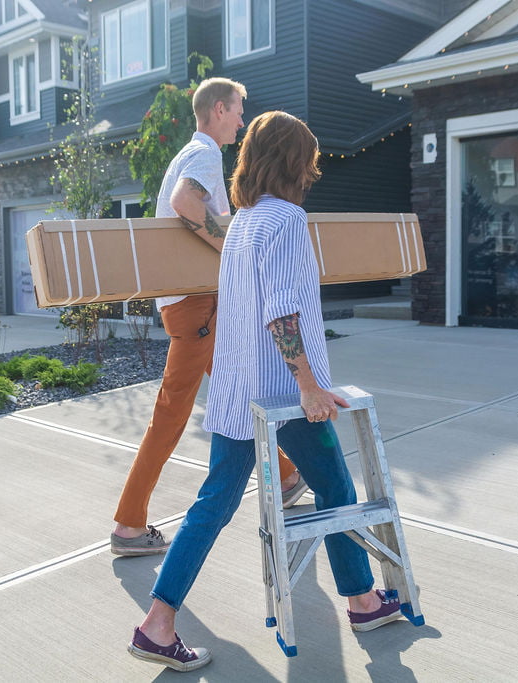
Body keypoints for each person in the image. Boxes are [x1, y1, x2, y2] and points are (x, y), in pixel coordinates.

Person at [128, 111, 404, 672]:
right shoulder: (286, 222)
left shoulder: (244, 223)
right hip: (282, 395)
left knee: (213, 505)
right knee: (335, 488)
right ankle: (363, 601)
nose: (313, 171)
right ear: (295, 162)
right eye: (310, 160)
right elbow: (281, 313)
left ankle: (157, 624)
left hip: (238, 395)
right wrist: (308, 385)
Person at [111, 79, 307, 558]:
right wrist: (233, 246)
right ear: (218, 110)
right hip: (195, 304)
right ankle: (129, 523)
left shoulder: (191, 154)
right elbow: (184, 203)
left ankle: (284, 476)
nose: (242, 120)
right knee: (172, 412)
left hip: (193, 302)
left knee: (242, 388)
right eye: (239, 110)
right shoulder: (203, 155)